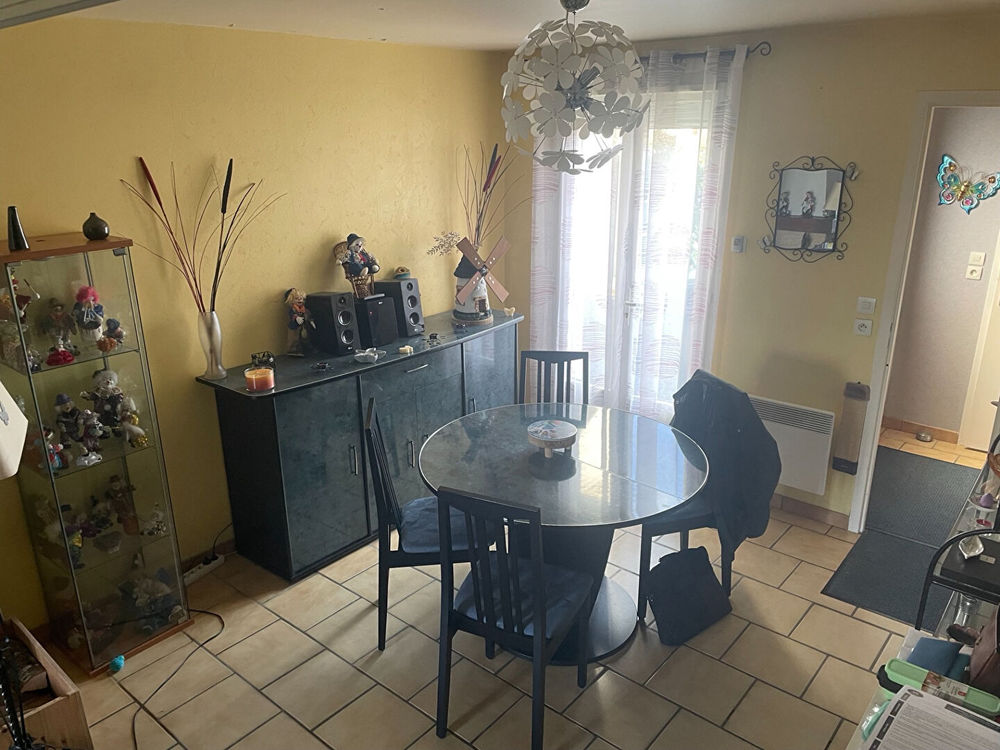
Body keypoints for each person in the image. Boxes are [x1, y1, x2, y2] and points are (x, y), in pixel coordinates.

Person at [284, 287, 315, 356]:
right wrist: (296, 318)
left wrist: (311, 321)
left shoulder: (304, 309)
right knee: (294, 338)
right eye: (296, 298)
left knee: (304, 338)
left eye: (301, 298)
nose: (299, 300)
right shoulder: (293, 309)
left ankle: (305, 349)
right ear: (291, 300)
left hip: (303, 326)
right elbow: (291, 315)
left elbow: (308, 314)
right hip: (294, 327)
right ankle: (293, 351)